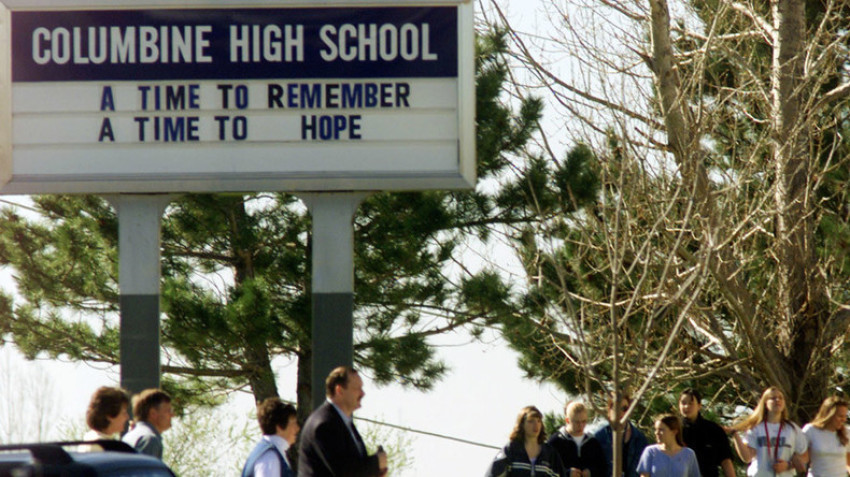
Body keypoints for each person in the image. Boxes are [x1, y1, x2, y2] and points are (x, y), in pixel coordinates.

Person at [297, 366, 388, 477]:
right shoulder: (325, 424)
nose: (362, 394)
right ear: (339, 390)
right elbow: (343, 471)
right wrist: (376, 462)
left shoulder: (344, 423)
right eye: (357, 388)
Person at [730, 386, 807, 477]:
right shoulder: (756, 428)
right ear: (765, 403)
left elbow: (804, 456)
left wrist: (788, 465)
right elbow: (747, 457)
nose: (777, 400)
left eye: (780, 398)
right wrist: (734, 434)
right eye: (773, 398)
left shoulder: (792, 428)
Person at [485, 405, 566, 477]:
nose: (536, 425)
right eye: (531, 421)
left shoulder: (550, 453)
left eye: (538, 421)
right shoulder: (511, 449)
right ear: (521, 424)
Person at [678, 389, 734, 477]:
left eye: (690, 403)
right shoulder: (675, 431)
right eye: (683, 403)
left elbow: (726, 461)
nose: (686, 407)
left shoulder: (713, 429)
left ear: (699, 406)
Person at [593, 390, 649, 477]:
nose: (621, 412)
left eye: (624, 409)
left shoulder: (640, 439)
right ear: (609, 409)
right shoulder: (599, 437)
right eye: (617, 408)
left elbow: (644, 470)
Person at [242, 397, 300, 477]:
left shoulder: (270, 452)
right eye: (293, 423)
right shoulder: (270, 456)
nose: (297, 428)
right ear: (279, 426)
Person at [547, 401, 607, 477]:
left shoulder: (592, 442)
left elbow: (603, 469)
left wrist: (591, 473)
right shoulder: (555, 442)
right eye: (577, 422)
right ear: (567, 420)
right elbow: (547, 469)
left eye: (584, 421)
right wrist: (567, 473)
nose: (581, 426)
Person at [802, 395, 850, 477]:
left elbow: (848, 462)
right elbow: (801, 458)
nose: (844, 420)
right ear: (829, 415)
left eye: (845, 416)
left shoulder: (847, 433)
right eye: (840, 416)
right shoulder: (811, 430)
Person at [122, 388, 174, 460]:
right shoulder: (150, 440)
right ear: (153, 413)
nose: (172, 415)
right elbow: (144, 471)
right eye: (168, 411)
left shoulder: (130, 435)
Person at [82, 386, 130, 451]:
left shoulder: (104, 441)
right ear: (110, 415)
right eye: (123, 413)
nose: (127, 417)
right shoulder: (97, 445)